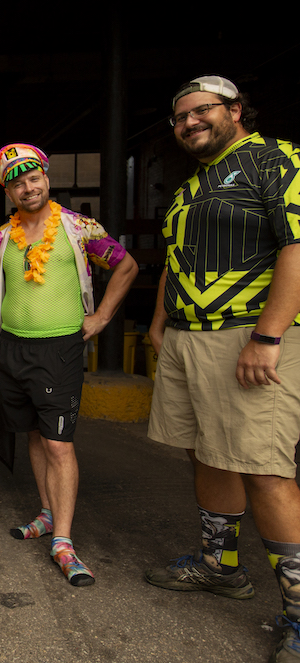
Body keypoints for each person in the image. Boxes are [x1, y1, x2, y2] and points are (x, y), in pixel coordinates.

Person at [145, 75, 300, 662]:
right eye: (180, 117)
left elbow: (297, 245)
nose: (189, 123)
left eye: (201, 110)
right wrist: (159, 322)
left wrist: (268, 335)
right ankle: (220, 565)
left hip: (248, 336)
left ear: (235, 110)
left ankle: (299, 613)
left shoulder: (275, 159)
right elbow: (174, 258)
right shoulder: (192, 186)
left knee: (264, 468)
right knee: (207, 453)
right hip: (188, 338)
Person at [0, 143, 137, 586]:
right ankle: (47, 513)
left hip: (59, 350)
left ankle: (64, 542)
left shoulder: (79, 228)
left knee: (58, 444)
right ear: (8, 191)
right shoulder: (0, 240)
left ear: (46, 179)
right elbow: (1, 292)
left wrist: (101, 317)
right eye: (17, 183)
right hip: (13, 349)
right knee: (35, 433)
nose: (28, 188)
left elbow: (125, 266)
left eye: (34, 178)